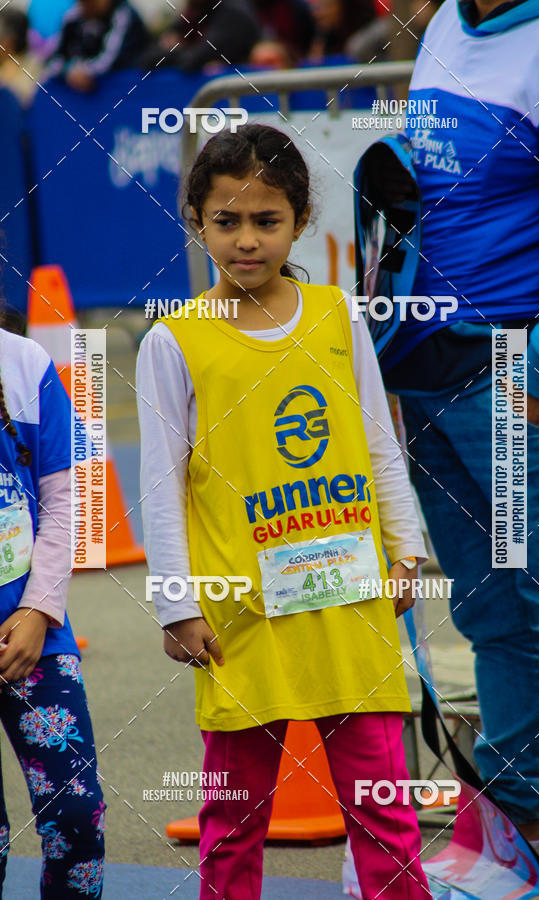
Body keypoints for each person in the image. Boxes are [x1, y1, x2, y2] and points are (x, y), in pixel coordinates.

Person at [137, 123, 432, 900]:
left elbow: (377, 441)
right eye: (226, 221)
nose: (245, 241)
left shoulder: (338, 316)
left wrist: (407, 549)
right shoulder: (175, 340)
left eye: (266, 221)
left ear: (301, 221)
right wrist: (177, 603)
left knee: (385, 813)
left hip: (351, 613)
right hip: (241, 622)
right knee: (233, 823)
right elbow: (161, 487)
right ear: (195, 219)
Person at [381, 0, 539, 894]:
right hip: (427, 372)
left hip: (513, 377)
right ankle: (509, 831)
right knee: (491, 620)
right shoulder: (444, 23)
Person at [0, 319, 105, 897]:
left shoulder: (24, 362)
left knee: (76, 816)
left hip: (34, 637)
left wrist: (40, 609)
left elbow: (66, 495)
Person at [43, 0, 149, 92]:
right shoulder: (72, 16)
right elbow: (54, 59)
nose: (87, 5)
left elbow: (112, 61)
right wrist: (67, 72)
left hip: (120, 93)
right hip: (79, 100)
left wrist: (86, 72)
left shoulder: (124, 15)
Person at [140, 0, 260, 73]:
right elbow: (148, 59)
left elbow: (193, 61)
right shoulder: (194, 13)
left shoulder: (234, 12)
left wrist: (177, 48)